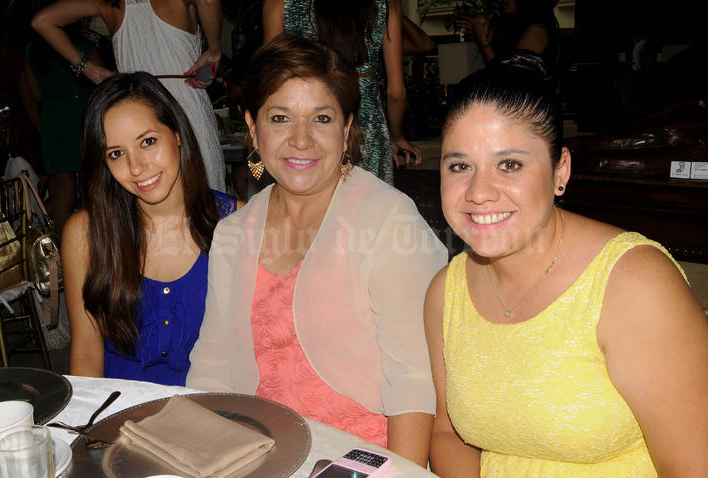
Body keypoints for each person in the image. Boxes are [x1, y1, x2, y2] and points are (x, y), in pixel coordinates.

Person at [424, 55, 708, 477]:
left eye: (510, 165)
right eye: (460, 166)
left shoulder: (633, 284)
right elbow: (448, 435)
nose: (478, 192)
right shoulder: (446, 293)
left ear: (561, 171)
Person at [187, 35, 447, 465]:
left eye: (321, 119)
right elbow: (212, 366)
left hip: (364, 459)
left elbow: (414, 383)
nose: (302, 140)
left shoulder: (387, 219)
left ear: (346, 130)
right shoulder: (233, 233)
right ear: (253, 128)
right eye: (281, 118)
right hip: (260, 454)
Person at [61, 72, 240, 386]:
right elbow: (86, 356)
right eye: (116, 154)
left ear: (177, 134)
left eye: (148, 141)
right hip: (121, 421)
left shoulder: (237, 221)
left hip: (215, 417)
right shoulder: (85, 234)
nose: (136, 167)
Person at [31, 0, 227, 192]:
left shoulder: (107, 3)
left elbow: (42, 21)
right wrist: (215, 51)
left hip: (134, 115)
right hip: (186, 107)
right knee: (204, 195)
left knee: (145, 194)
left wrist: (90, 69)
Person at [263, 0, 422, 185]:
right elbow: (396, 92)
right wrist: (397, 136)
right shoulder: (386, 3)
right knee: (371, 207)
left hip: (305, 126)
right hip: (367, 131)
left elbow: (269, 84)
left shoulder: (279, 3)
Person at [23, 26, 101, 233]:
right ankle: (95, 239)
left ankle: (64, 245)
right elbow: (102, 86)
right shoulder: (83, 46)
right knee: (91, 184)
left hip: (53, 118)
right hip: (82, 113)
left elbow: (35, 94)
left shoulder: (32, 51)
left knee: (62, 191)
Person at [458, 0, 559, 72]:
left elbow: (510, 76)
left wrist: (484, 41)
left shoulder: (537, 31)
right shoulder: (513, 27)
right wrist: (487, 39)